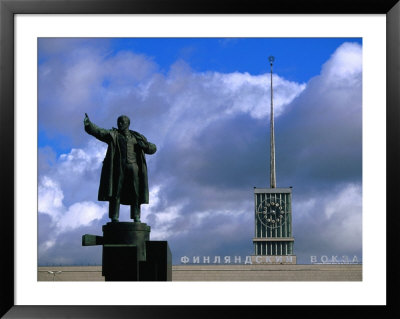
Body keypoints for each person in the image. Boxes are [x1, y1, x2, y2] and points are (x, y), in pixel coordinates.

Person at [84, 113, 156, 223]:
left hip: (134, 168)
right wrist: (89, 125)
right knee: (116, 192)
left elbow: (153, 148)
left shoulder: (137, 137)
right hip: (118, 168)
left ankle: (136, 216)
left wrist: (145, 146)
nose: (120, 124)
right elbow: (99, 132)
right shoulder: (113, 135)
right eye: (118, 122)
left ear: (128, 124)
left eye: (122, 122)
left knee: (136, 193)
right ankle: (114, 216)